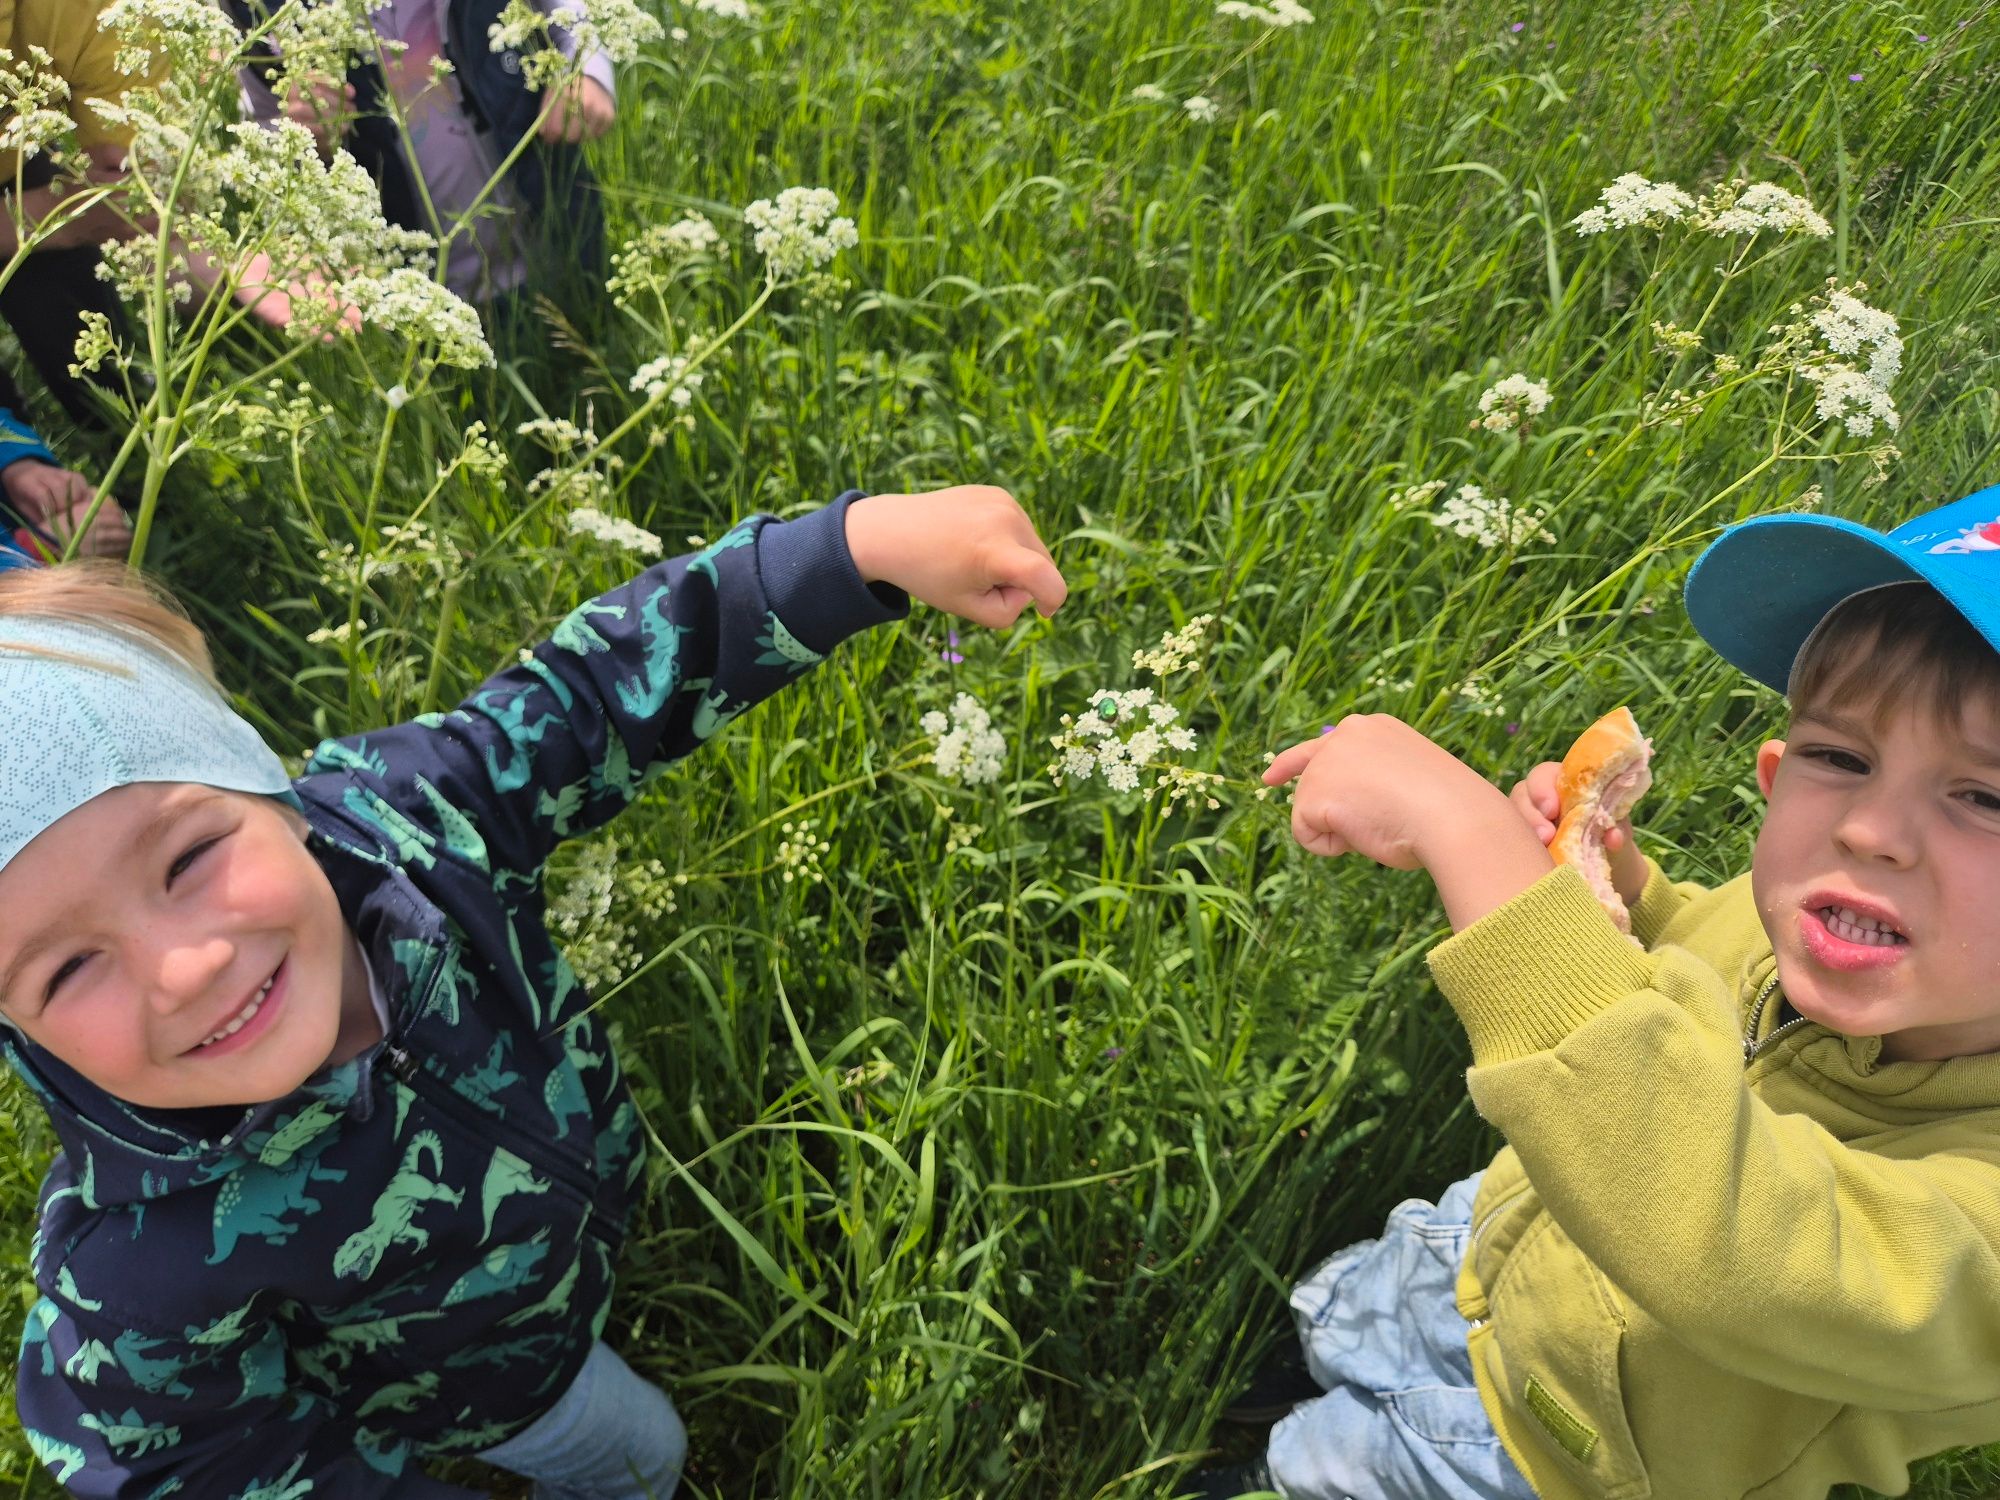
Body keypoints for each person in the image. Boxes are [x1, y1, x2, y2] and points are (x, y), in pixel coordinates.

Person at [3, 484, 1066, 1496]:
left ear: (266, 787)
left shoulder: (411, 822)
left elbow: (590, 694)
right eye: (68, 967)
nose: (183, 967)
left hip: (587, 1199)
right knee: (647, 1456)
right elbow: (187, 1466)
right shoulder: (130, 1270)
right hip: (493, 1389)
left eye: (188, 858)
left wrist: (848, 553)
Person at [1199, 483, 2000, 1500]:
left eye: (1984, 797)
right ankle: (1288, 1372)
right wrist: (1613, 889)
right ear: (1773, 775)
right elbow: (1690, 943)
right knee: (1345, 1320)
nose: (1867, 829)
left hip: (1555, 1453)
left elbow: (1737, 1247)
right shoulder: (1823, 928)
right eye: (1840, 757)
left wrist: (1469, 839)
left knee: (1325, 1473)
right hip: (1490, 1242)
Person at [228, 0, 617, 313]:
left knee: (588, 339)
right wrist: (303, 130)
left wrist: (586, 70)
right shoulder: (260, 10)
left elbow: (569, 9)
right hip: (412, 295)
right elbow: (263, 123)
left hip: (555, 240)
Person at [0, 0, 155, 559]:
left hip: (18, 162)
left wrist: (17, 462)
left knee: (82, 333)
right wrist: (51, 219)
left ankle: (145, 475)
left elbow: (136, 183)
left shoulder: (94, 12)